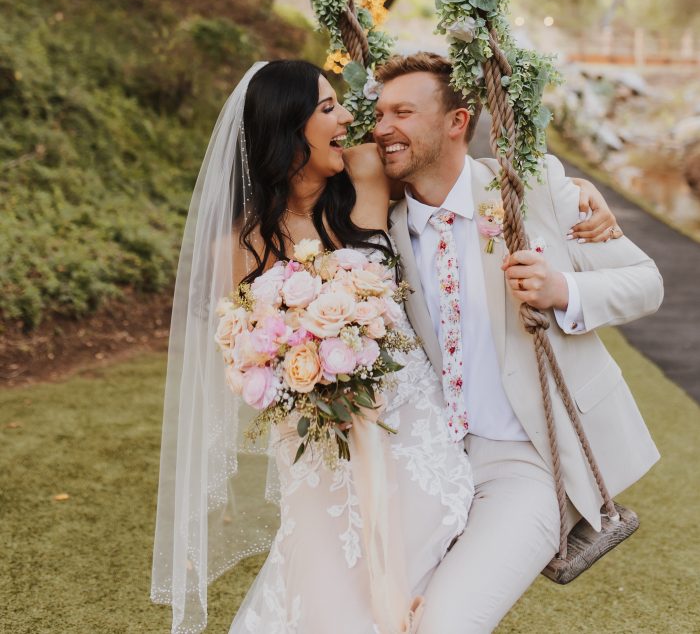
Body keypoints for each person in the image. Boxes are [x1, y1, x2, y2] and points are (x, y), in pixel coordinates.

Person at [150, 58, 621, 634]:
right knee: (327, 610)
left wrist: (572, 188)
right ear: (285, 126)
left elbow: (459, 174)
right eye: (327, 108)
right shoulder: (240, 245)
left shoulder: (367, 171)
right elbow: (246, 359)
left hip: (419, 446)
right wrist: (304, 368)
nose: (350, 118)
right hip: (326, 458)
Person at [372, 52, 663, 634]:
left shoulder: (531, 189)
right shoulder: (382, 224)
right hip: (429, 461)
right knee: (375, 615)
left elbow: (646, 283)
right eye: (379, 113)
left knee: (446, 624)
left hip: (530, 460)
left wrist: (563, 290)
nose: (382, 128)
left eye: (403, 112)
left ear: (457, 121)